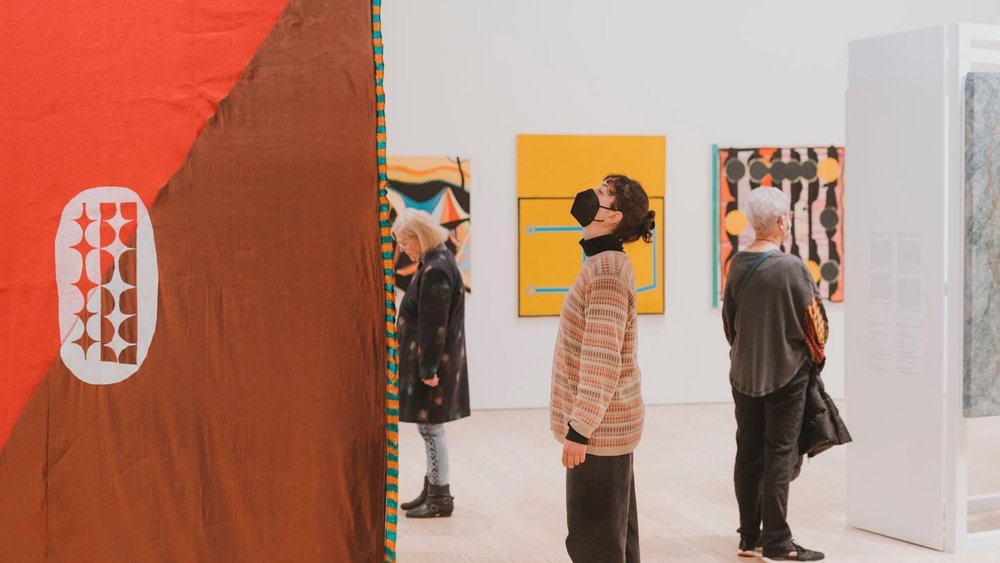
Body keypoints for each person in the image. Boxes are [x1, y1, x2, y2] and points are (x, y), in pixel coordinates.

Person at [550, 174, 655, 563]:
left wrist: (579, 430)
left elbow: (601, 359)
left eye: (600, 194)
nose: (588, 195)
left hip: (599, 431)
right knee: (614, 537)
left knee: (594, 543)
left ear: (612, 217)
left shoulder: (607, 271)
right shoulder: (604, 264)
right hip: (607, 426)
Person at [721, 186, 829, 561]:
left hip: (744, 375)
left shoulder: (736, 264)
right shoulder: (791, 267)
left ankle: (749, 538)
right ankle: (779, 543)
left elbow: (729, 324)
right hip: (786, 374)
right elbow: (817, 323)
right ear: (783, 221)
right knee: (779, 455)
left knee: (747, 452)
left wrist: (746, 352)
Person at [392, 208, 470, 518]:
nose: (402, 249)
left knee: (431, 429)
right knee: (429, 428)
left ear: (418, 237)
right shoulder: (435, 261)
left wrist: (428, 370)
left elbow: (433, 325)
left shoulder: (436, 268)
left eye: (404, 242)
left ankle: (440, 496)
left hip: (432, 367)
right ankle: (432, 488)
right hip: (431, 363)